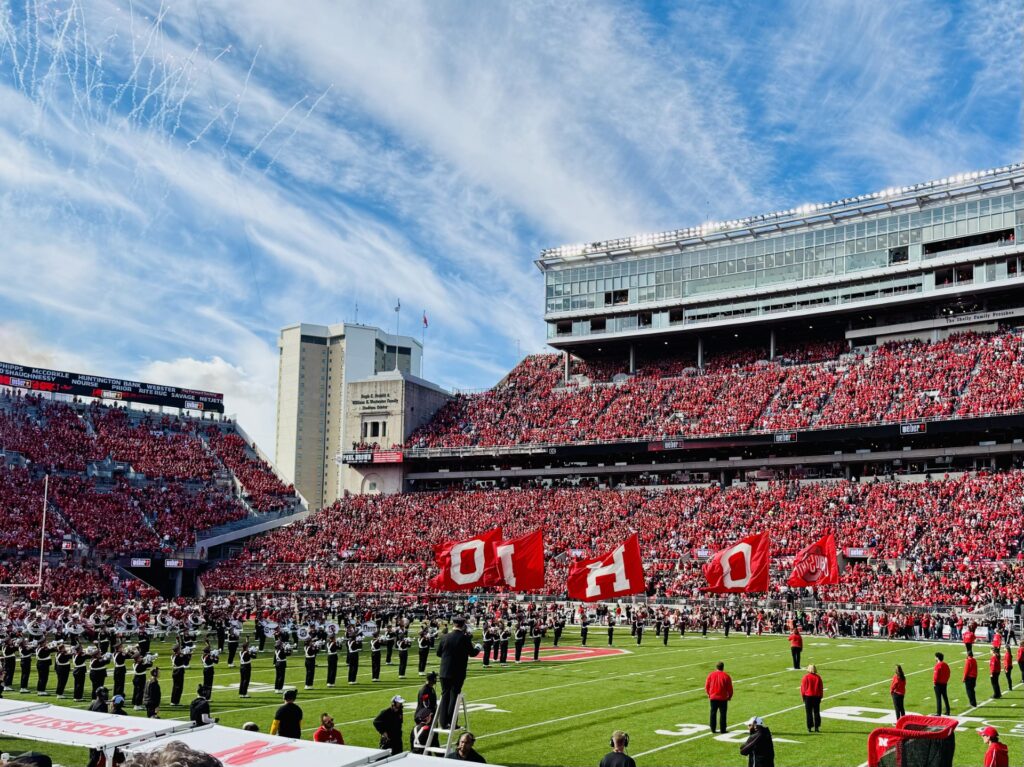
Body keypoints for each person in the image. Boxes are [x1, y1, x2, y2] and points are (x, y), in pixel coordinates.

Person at [436, 616, 480, 729]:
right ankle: (452, 722)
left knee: (445, 695)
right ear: (463, 625)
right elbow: (472, 653)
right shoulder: (464, 638)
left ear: (453, 624)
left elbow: (439, 653)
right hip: (458, 672)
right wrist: (478, 648)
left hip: (444, 671)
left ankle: (443, 722)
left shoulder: (445, 637)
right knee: (454, 696)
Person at [705, 661, 733, 734]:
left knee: (713, 713)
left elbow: (707, 686)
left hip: (713, 697)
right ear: (723, 667)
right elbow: (730, 688)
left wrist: (709, 694)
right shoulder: (726, 676)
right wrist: (729, 696)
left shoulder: (711, 675)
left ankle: (713, 728)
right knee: (723, 714)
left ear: (716, 667)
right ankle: (723, 729)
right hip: (723, 698)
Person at [800, 664, 823, 733]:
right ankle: (817, 727)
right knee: (816, 712)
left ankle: (809, 727)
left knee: (809, 713)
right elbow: (821, 688)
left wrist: (803, 696)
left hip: (808, 697)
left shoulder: (806, 677)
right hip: (816, 697)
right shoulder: (818, 677)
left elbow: (803, 688)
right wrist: (820, 696)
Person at [933, 652, 950, 716]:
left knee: (938, 698)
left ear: (937, 658)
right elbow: (948, 673)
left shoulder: (937, 665)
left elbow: (936, 676)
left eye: (935, 657)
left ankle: (938, 712)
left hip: (938, 684)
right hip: (944, 683)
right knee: (945, 697)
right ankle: (948, 711)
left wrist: (935, 682)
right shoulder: (946, 664)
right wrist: (946, 680)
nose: (935, 658)